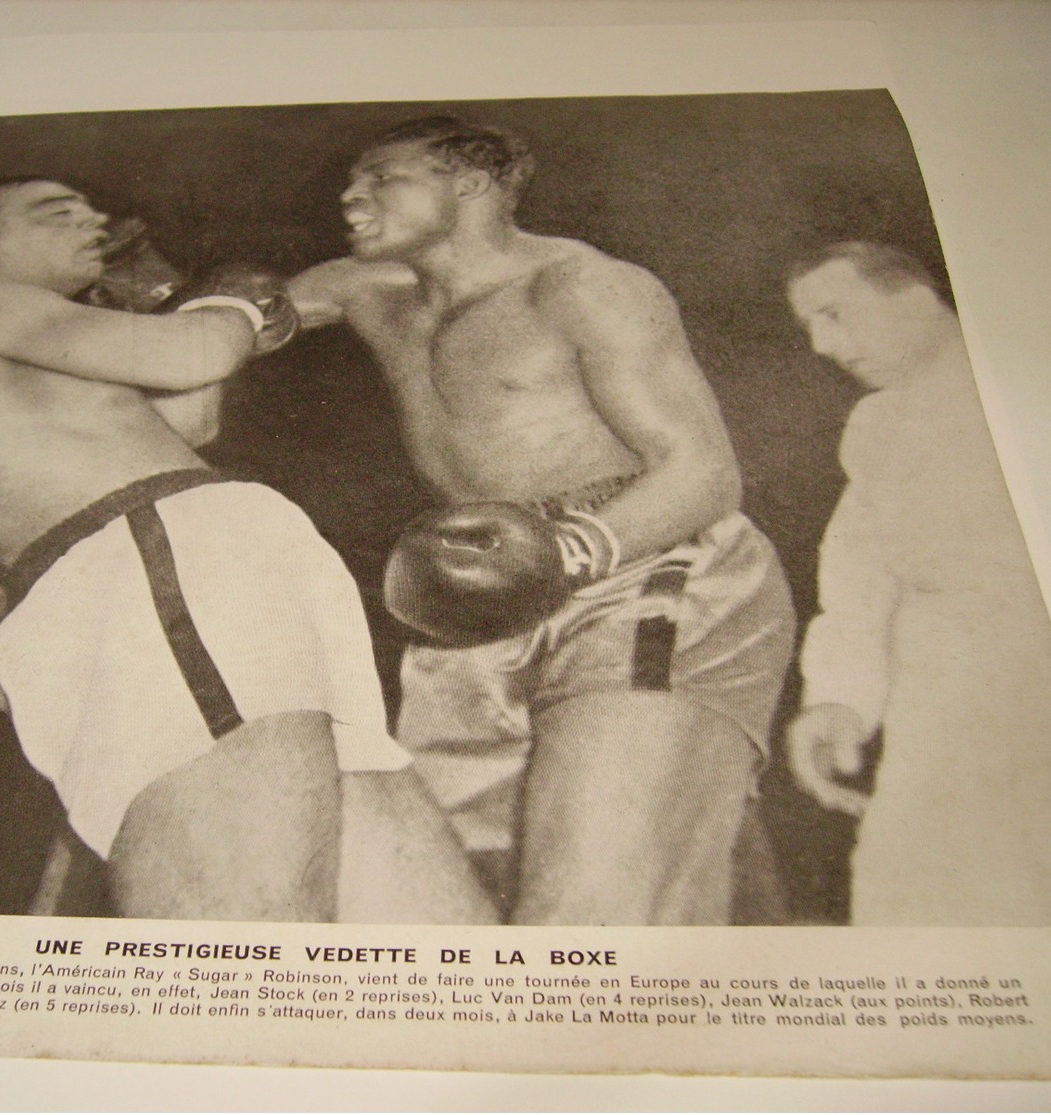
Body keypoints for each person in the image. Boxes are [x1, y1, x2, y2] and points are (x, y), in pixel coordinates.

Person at [0, 175, 493, 923]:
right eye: (55, 212)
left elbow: (189, 423)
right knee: (245, 922)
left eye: (94, 208)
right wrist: (226, 301)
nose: (93, 221)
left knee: (408, 927)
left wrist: (187, 311)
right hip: (153, 563)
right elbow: (195, 355)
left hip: (166, 564)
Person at [290, 118, 794, 924]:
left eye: (383, 177)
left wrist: (567, 549)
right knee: (445, 910)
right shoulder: (363, 291)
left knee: (595, 916)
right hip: (477, 598)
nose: (351, 196)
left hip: (642, 561)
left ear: (471, 183)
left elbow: (705, 473)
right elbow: (218, 328)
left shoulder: (582, 286)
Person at [784, 241, 1051, 925]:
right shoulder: (880, 423)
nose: (821, 345)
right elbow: (861, 570)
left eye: (834, 314)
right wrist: (838, 698)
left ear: (917, 299)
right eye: (810, 325)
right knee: (921, 893)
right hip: (944, 693)